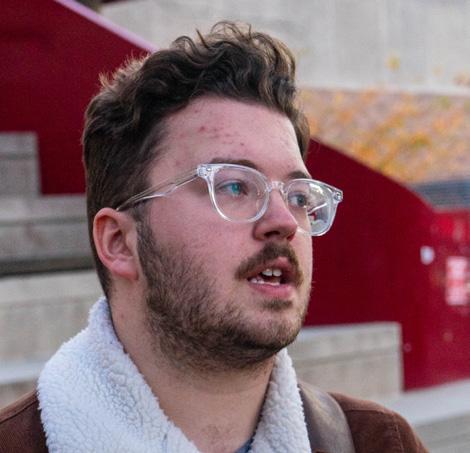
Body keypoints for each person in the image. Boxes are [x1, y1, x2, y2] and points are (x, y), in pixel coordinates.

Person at [0, 22, 427, 453]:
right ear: (120, 242)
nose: (284, 221)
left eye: (298, 196)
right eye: (234, 186)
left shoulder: (381, 442)